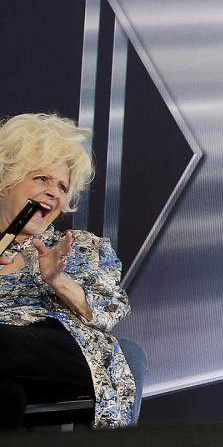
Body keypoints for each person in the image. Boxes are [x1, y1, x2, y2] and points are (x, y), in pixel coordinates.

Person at [0, 113, 138, 429]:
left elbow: (108, 311)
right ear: (6, 180)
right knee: (5, 395)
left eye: (62, 186)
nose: (55, 193)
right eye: (41, 179)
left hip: (71, 359)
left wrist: (57, 280)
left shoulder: (80, 247)